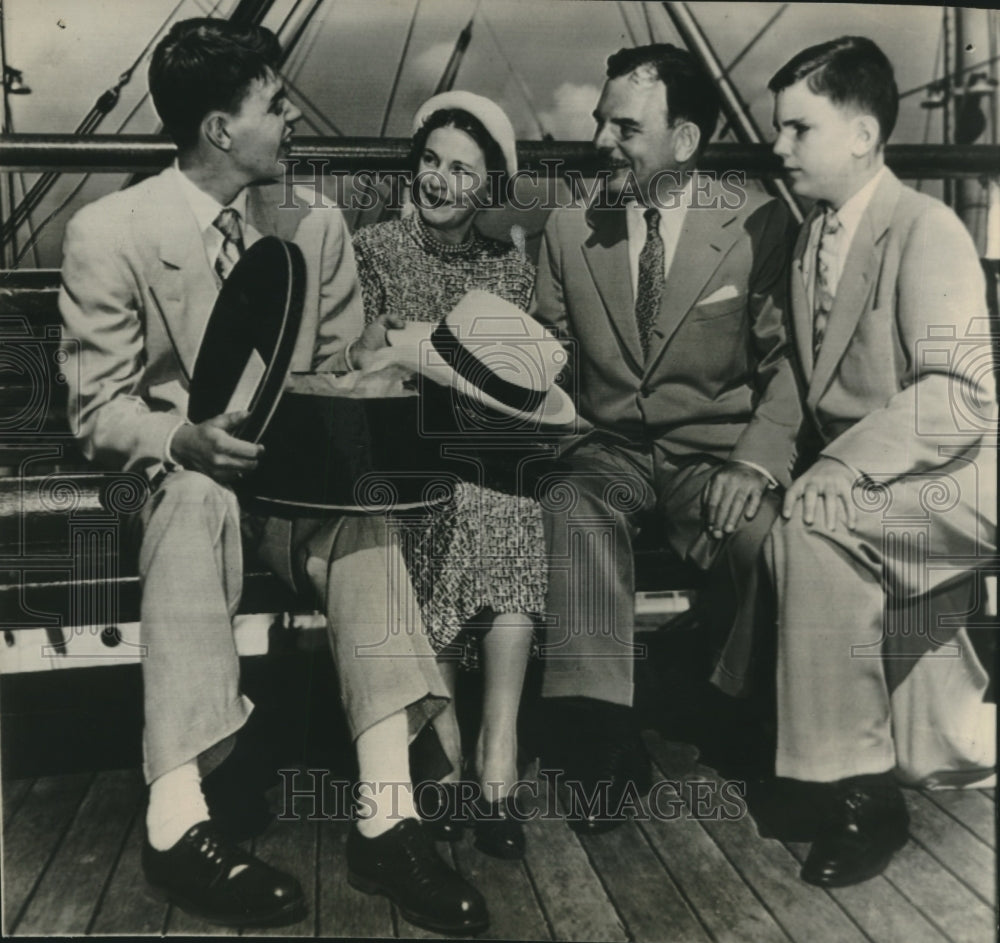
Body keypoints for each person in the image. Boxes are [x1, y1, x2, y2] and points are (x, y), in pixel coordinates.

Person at [59, 19, 487, 934]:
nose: (292, 117)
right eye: (273, 104)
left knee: (364, 520)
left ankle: (389, 815)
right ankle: (178, 819)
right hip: (169, 482)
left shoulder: (314, 222)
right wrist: (184, 440)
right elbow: (98, 410)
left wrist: (383, 380)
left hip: (290, 489)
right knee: (195, 499)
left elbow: (341, 367)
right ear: (220, 128)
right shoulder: (111, 232)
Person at [532, 43, 801, 832]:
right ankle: (599, 739)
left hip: (714, 455)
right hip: (605, 448)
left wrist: (755, 460)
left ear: (684, 142)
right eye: (600, 123)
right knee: (575, 507)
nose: (601, 144)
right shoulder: (567, 225)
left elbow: (787, 366)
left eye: (625, 127)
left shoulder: (757, 223)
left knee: (767, 544)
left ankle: (730, 700)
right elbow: (547, 354)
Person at [766, 35, 996, 887]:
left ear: (863, 136)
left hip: (964, 468)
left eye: (798, 129)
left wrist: (843, 466)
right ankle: (835, 764)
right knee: (808, 520)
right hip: (897, 471)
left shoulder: (927, 229)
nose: (778, 147)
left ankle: (858, 793)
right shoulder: (808, 242)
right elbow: (800, 381)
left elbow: (962, 394)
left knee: (818, 528)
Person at [351, 91, 542, 859]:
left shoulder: (509, 270)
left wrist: (421, 353)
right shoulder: (373, 249)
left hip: (484, 455)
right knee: (461, 499)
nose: (438, 180)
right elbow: (364, 363)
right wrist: (412, 360)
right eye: (430, 161)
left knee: (506, 502)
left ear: (488, 188)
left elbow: (525, 387)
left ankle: (496, 747)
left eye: (461, 170)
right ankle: (446, 730)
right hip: (396, 456)